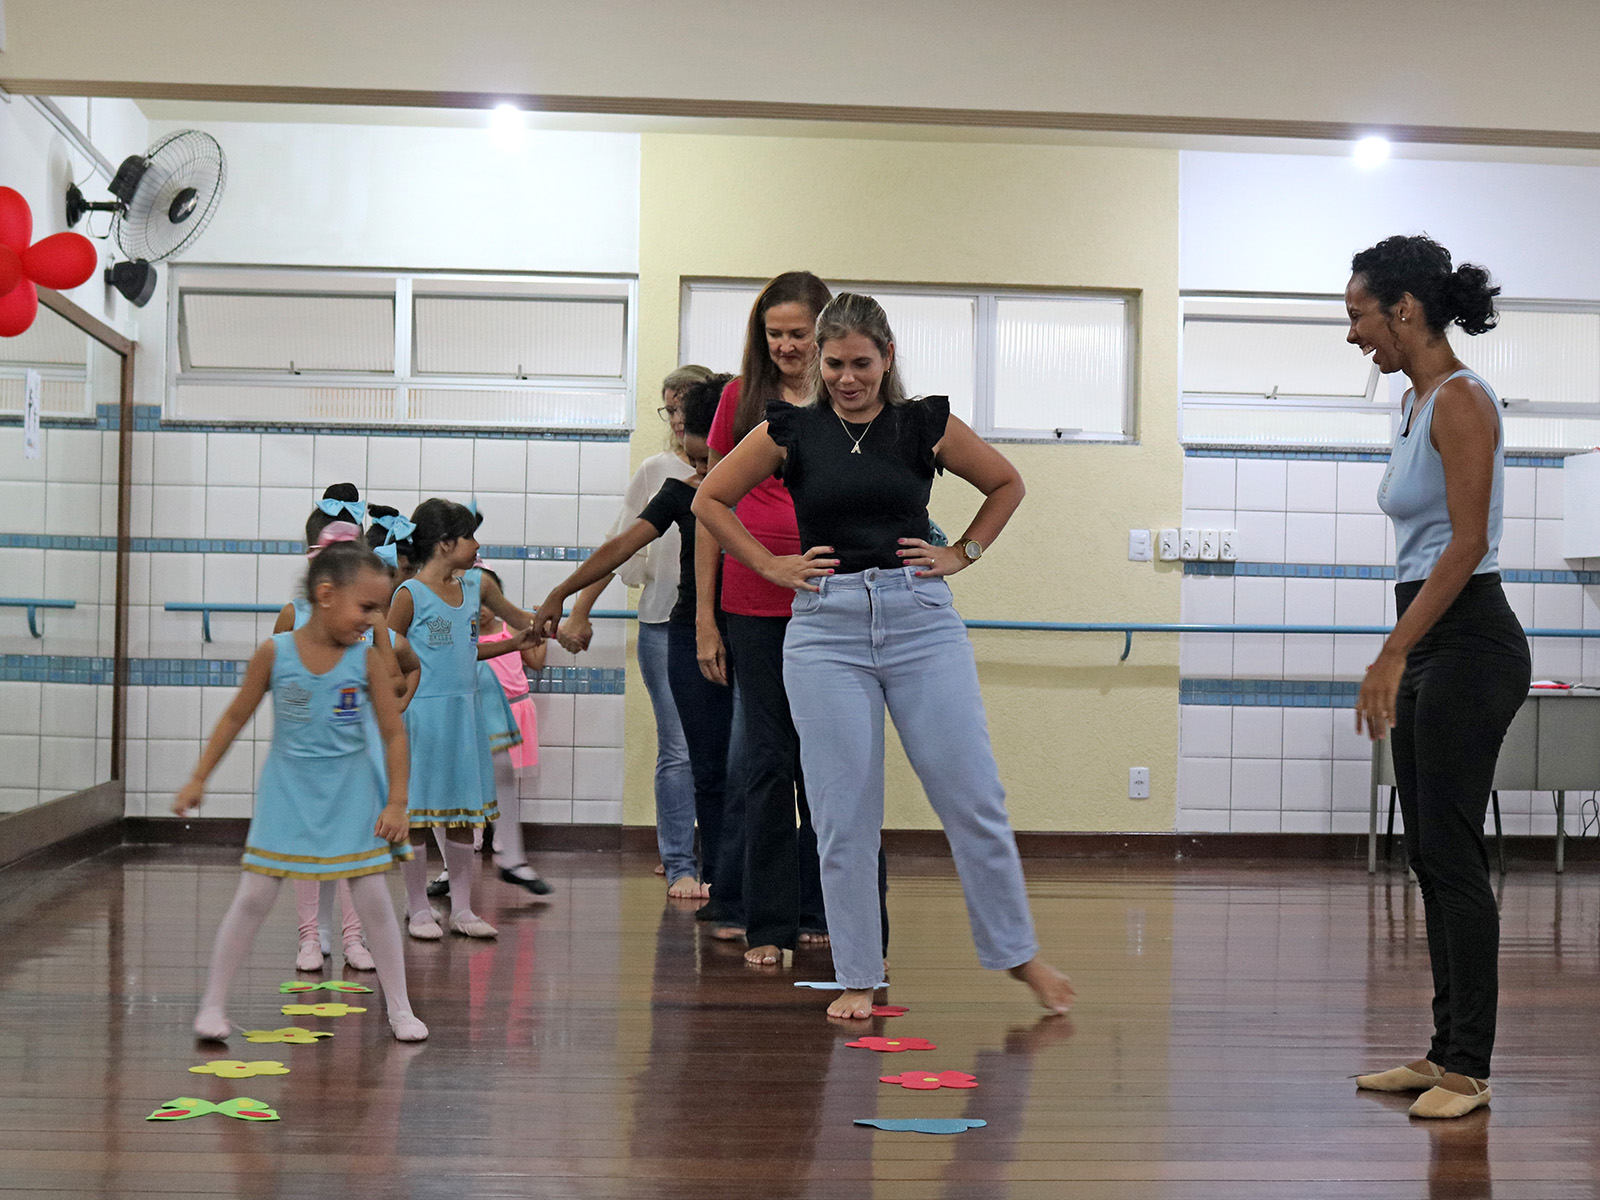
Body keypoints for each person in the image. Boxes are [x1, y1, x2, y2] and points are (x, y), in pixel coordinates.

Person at [693, 291, 1075, 1020]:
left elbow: (1006, 483)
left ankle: (1018, 953)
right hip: (825, 632)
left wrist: (963, 552)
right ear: (819, 361)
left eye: (861, 364)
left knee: (974, 797)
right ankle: (858, 977)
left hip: (920, 622)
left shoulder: (923, 423)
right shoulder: (790, 430)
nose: (847, 378)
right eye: (834, 364)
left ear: (887, 357)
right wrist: (768, 565)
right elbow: (709, 500)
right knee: (843, 814)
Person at [1347, 235, 1530, 1119]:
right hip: (1432, 641)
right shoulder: (1413, 401)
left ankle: (1470, 1069)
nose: (1353, 334)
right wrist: (1403, 649)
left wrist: (1392, 651)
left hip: (1472, 643)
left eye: (1359, 315)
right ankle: (1443, 1049)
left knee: (1453, 855)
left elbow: (1467, 543)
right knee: (1426, 853)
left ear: (1406, 310)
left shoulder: (1461, 399)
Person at [698, 271, 891, 965]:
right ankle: (770, 924)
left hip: (837, 604)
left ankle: (833, 913)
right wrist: (706, 617)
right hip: (754, 606)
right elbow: (709, 505)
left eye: (798, 333)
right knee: (767, 763)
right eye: (773, 333)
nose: (785, 345)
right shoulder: (738, 399)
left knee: (839, 768)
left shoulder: (856, 397)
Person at [175, 539, 427, 1042]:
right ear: (326, 595)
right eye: (367, 607)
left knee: (375, 900)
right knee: (253, 896)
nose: (374, 619)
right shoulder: (276, 652)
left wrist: (398, 802)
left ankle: (400, 1009)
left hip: (351, 792)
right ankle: (212, 1005)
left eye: (379, 609)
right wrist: (200, 777)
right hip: (286, 790)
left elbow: (394, 734)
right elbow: (234, 716)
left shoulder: (367, 660)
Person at [535, 376, 734, 902]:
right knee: (687, 752)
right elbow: (621, 544)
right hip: (674, 625)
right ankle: (686, 866)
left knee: (739, 756)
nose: (701, 467)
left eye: (709, 456)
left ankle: (736, 875)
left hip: (741, 629)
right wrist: (567, 598)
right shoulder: (674, 483)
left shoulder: (752, 483)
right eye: (671, 413)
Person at [387, 499, 538, 941]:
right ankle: (418, 907)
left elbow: (485, 640)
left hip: (463, 715)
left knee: (461, 815)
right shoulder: (409, 594)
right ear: (445, 544)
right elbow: (386, 652)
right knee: (416, 814)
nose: (477, 545)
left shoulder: (475, 587)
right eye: (470, 536)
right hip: (422, 717)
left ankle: (463, 909)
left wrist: (537, 631)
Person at [477, 565, 552, 895]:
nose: (481, 609)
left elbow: (535, 658)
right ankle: (462, 856)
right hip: (473, 710)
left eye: (488, 600)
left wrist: (543, 629)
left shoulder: (508, 626)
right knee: (469, 788)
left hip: (507, 711)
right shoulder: (459, 630)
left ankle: (508, 853)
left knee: (503, 779)